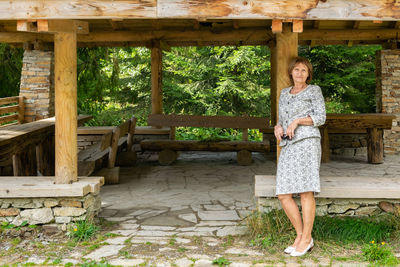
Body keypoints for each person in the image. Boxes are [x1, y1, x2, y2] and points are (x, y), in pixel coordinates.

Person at [273, 57, 326, 257]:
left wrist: (297, 121)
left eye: (304, 70)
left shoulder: (314, 90)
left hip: (307, 143)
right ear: (291, 72)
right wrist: (278, 127)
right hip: (288, 144)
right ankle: (301, 235)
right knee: (283, 193)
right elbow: (281, 119)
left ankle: (305, 239)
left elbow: (320, 117)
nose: (300, 73)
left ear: (308, 74)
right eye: (296, 69)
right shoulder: (284, 93)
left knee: (305, 191)